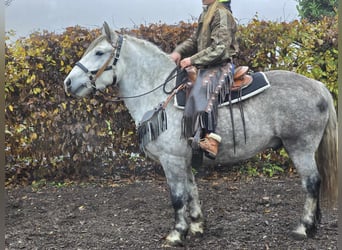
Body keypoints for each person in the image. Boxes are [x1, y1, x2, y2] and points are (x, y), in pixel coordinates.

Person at [170, 0, 238, 159]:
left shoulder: (221, 14)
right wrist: (178, 52)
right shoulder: (206, 13)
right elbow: (195, 41)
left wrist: (192, 60)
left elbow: (220, 48)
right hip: (207, 65)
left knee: (204, 87)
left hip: (221, 66)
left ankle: (211, 139)